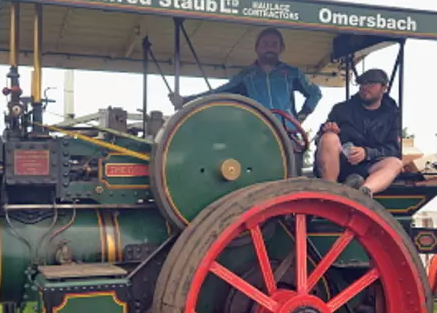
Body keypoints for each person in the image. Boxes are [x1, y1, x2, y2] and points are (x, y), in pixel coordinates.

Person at [168, 27, 322, 123]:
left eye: (274, 44)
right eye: (265, 44)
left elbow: (315, 93)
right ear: (257, 48)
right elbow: (217, 93)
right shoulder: (246, 76)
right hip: (256, 132)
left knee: (293, 175)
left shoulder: (292, 73)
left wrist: (300, 117)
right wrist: (186, 100)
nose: (269, 48)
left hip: (288, 133)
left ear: (281, 48)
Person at [314, 68, 403, 196]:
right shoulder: (341, 109)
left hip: (369, 167)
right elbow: (318, 140)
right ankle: (332, 192)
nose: (365, 87)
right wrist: (328, 130)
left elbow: (394, 150)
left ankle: (363, 192)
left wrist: (366, 153)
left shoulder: (392, 115)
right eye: (362, 83)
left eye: (371, 84)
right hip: (340, 164)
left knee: (395, 163)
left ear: (384, 88)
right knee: (328, 138)